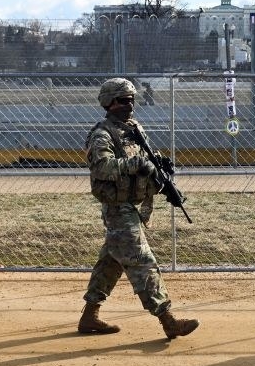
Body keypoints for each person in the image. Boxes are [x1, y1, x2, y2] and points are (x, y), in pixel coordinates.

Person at [77, 78, 199, 340]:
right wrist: (136, 165)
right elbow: (101, 167)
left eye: (132, 100)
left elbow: (147, 159)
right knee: (142, 261)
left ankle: (89, 317)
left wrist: (160, 175)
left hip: (130, 206)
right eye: (123, 100)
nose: (129, 105)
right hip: (117, 208)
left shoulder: (134, 129)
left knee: (111, 263)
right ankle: (168, 321)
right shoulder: (102, 134)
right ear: (109, 103)